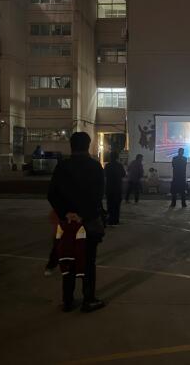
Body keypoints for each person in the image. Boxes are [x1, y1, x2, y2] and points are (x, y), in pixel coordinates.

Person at [48, 132, 106, 313]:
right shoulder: (95, 167)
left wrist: (66, 213)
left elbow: (52, 194)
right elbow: (97, 196)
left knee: (68, 258)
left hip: (67, 224)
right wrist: (83, 215)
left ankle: (67, 300)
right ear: (88, 145)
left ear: (70, 146)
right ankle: (88, 299)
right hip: (88, 223)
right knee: (88, 261)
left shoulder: (62, 166)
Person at [105, 151, 126, 225]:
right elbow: (123, 174)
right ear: (117, 157)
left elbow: (105, 174)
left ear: (110, 157)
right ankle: (116, 220)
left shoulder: (107, 165)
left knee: (110, 204)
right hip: (117, 188)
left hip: (109, 188)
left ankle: (110, 220)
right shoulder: (119, 165)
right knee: (117, 205)